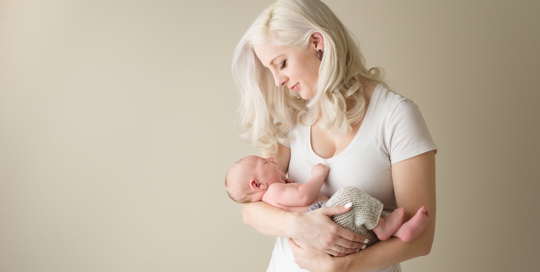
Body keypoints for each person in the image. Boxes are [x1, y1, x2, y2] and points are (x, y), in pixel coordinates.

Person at [231, 0, 437, 271]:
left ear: (317, 41)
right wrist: (301, 226)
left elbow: (421, 240)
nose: (278, 80)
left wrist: (341, 266)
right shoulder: (290, 117)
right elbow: (251, 211)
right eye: (270, 70)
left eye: (281, 63)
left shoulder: (396, 116)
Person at [225, 155, 430, 247]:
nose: (270, 159)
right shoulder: (274, 190)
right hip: (324, 217)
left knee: (360, 213)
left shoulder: (272, 196)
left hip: (324, 228)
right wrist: (318, 176)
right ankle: (384, 227)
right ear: (257, 185)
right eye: (264, 162)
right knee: (350, 196)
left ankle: (399, 231)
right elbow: (304, 196)